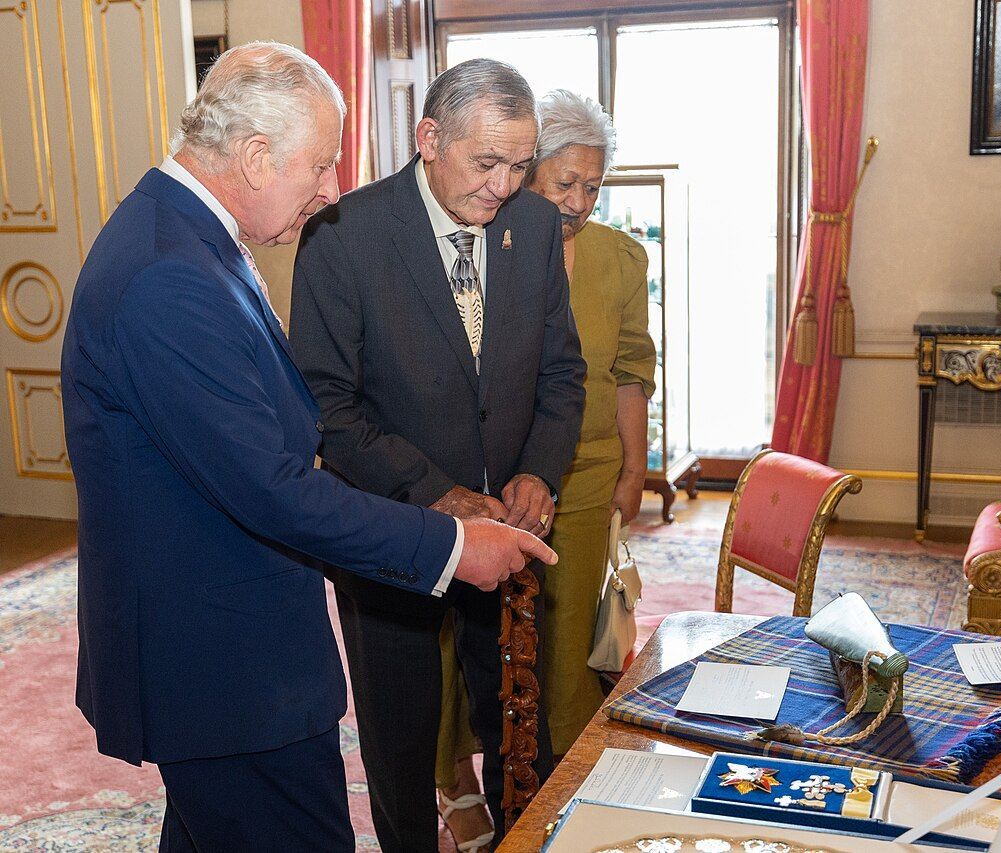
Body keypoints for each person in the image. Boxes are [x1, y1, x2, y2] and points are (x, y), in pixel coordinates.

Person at [61, 42, 554, 853]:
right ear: (256, 158)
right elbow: (274, 489)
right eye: (321, 164)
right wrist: (455, 544)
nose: (333, 189)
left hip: (230, 655)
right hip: (224, 671)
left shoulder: (189, 237)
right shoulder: (168, 276)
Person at [290, 59, 586, 852]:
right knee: (400, 735)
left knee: (520, 724)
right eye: (486, 162)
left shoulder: (535, 229)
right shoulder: (342, 236)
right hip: (391, 531)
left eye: (521, 165)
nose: (505, 184)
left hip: (510, 533)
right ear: (429, 139)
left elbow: (562, 373)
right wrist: (437, 493)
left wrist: (538, 471)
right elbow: (327, 405)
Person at [518, 89, 657, 754]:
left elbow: (631, 372)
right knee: (480, 636)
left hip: (589, 468)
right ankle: (459, 775)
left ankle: (565, 770)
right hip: (501, 476)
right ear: (528, 168)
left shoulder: (621, 259)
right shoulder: (491, 244)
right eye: (566, 181)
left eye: (593, 187)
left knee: (576, 635)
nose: (579, 201)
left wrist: (635, 468)